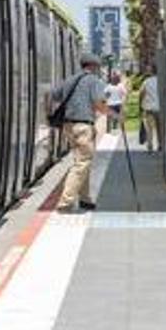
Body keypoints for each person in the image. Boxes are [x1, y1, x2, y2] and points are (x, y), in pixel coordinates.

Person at [50, 52, 108, 211]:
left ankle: (85, 199)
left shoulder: (70, 80)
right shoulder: (94, 81)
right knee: (82, 163)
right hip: (83, 126)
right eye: (98, 67)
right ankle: (65, 202)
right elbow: (98, 103)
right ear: (93, 66)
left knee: (82, 161)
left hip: (69, 126)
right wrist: (112, 113)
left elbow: (54, 96)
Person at [139, 67, 160, 153]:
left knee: (149, 129)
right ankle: (161, 145)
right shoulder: (160, 81)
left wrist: (140, 104)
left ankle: (150, 147)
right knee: (160, 128)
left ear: (150, 72)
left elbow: (141, 93)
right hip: (159, 108)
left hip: (149, 108)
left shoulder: (146, 82)